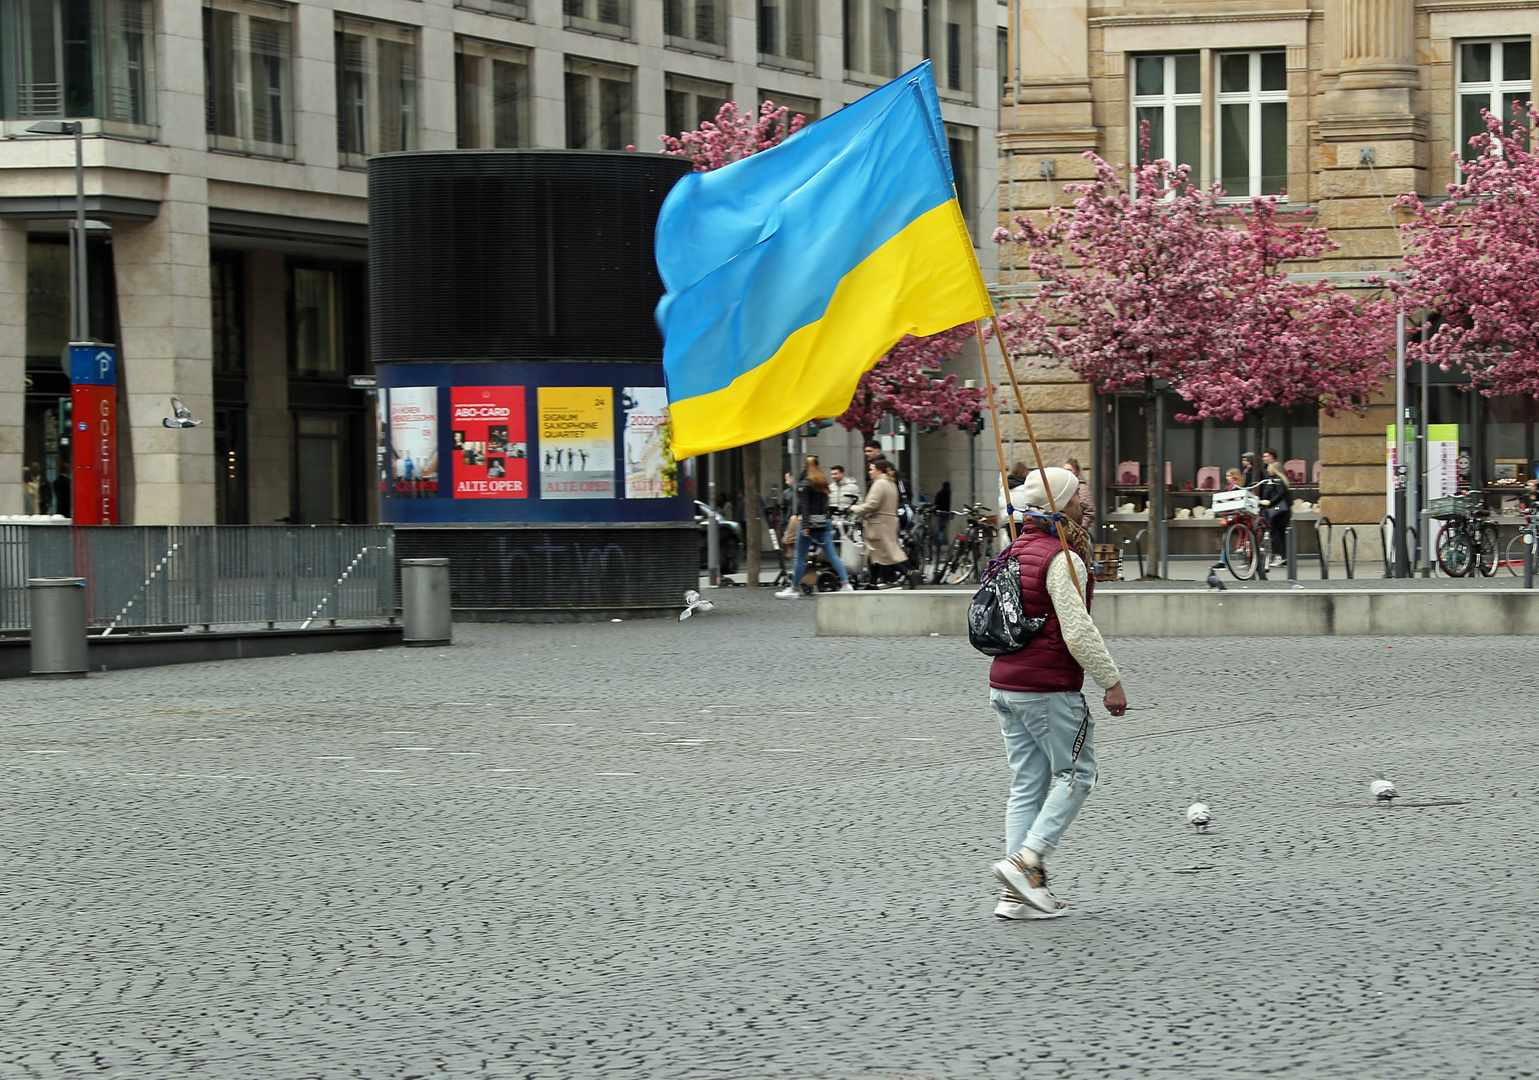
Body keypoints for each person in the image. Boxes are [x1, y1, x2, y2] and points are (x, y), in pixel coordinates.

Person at [988, 467, 1127, 921]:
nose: (1082, 502)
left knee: (1027, 782)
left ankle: (1017, 896)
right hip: (1047, 687)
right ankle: (1026, 860)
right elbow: (1079, 631)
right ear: (1062, 504)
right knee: (1077, 774)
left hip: (1005, 684)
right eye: (1075, 496)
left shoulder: (1014, 548)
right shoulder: (1063, 557)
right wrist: (1111, 680)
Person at [776, 456, 853, 598]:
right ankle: (845, 583)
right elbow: (825, 505)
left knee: (799, 556)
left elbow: (805, 506)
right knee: (832, 555)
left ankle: (794, 589)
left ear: (806, 466)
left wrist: (805, 525)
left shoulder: (805, 484)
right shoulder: (822, 482)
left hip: (809, 524)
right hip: (823, 523)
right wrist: (825, 520)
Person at [852, 459, 917, 587]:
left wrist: (856, 509)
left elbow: (872, 504)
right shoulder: (890, 483)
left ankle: (909, 573)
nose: (870, 472)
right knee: (875, 555)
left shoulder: (879, 483)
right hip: (887, 522)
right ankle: (872, 582)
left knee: (885, 555)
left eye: (872, 469)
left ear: (879, 470)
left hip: (878, 524)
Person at [1257, 455, 1291, 567]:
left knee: (1275, 532)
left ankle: (1279, 556)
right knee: (1280, 533)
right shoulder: (1276, 480)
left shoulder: (1277, 480)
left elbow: (1279, 494)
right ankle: (1283, 556)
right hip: (1282, 510)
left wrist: (1269, 502)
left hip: (1277, 511)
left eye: (1269, 468)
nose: (1267, 470)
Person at [1062, 458, 1095, 532]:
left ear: (1076, 472)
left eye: (1069, 470)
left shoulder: (1082, 488)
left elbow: (1090, 511)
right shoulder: (1065, 486)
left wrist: (1080, 528)